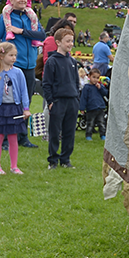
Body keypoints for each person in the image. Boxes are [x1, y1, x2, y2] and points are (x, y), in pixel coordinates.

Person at [0, 0, 45, 148]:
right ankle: (6, 139)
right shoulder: (5, 18)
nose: (22, 0)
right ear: (11, 0)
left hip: (29, 67)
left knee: (25, 102)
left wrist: (21, 31)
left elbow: (42, 35)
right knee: (10, 102)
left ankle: (22, 137)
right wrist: (0, 60)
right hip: (13, 67)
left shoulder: (31, 17)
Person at [0, 42, 30, 175]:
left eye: (15, 55)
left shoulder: (18, 73)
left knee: (13, 137)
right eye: (11, 55)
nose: (14, 58)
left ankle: (14, 166)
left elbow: (24, 91)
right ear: (1, 56)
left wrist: (26, 108)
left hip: (14, 108)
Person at [43, 28, 81, 170]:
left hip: (72, 101)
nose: (71, 44)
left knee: (69, 132)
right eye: (67, 41)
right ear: (58, 42)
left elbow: (76, 82)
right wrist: (50, 101)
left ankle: (65, 159)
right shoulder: (52, 61)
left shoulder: (72, 61)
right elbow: (46, 83)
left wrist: (77, 98)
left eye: (72, 41)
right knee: (54, 132)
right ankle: (53, 160)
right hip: (58, 101)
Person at [79, 68, 108, 141]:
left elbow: (105, 93)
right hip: (91, 108)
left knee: (101, 123)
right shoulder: (87, 87)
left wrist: (100, 88)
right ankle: (88, 135)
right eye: (93, 77)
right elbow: (83, 98)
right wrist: (82, 108)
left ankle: (103, 135)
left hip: (100, 107)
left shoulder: (100, 86)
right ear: (89, 77)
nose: (95, 79)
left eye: (97, 78)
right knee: (90, 123)